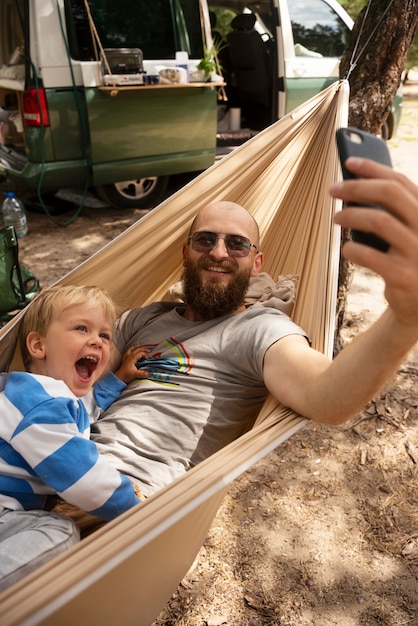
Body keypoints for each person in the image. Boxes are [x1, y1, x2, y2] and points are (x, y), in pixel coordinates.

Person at [91, 157, 418, 498]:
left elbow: (326, 396)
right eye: (205, 240)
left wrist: (404, 318)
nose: (219, 253)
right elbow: (75, 380)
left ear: (256, 263)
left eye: (237, 244)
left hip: (127, 494)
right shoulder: (143, 318)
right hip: (62, 452)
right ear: (185, 253)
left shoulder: (259, 329)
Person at [0, 284, 149, 591]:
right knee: (60, 532)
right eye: (82, 328)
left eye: (105, 335)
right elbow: (86, 481)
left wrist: (119, 377)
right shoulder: (42, 407)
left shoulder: (45, 395)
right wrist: (139, 510)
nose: (96, 340)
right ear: (38, 346)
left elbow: (84, 408)